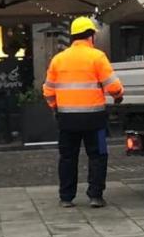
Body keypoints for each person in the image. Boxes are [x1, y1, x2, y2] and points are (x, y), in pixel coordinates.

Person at [43, 16, 124, 208]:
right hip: (94, 118)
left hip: (67, 119)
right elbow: (113, 86)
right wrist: (118, 95)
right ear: (91, 36)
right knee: (97, 156)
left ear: (72, 36)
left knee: (67, 157)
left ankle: (66, 197)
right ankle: (95, 196)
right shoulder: (97, 57)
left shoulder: (58, 59)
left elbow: (48, 91)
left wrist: (55, 107)